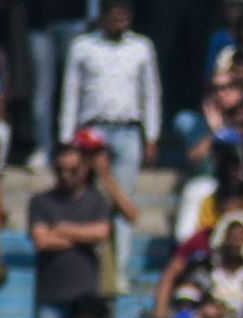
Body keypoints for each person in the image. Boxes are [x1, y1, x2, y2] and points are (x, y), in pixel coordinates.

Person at [58, 1, 160, 284]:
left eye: (124, 17)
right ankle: (88, 265)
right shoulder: (82, 47)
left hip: (128, 130)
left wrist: (151, 135)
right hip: (92, 131)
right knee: (89, 199)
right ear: (101, 17)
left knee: (123, 199)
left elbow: (150, 93)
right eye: (113, 17)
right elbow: (71, 92)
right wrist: (67, 138)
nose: (119, 23)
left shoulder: (141, 47)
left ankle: (119, 271)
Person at [27, 143, 111, 318]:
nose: (66, 175)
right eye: (60, 170)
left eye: (73, 170)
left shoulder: (97, 201)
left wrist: (61, 228)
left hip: (85, 301)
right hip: (51, 296)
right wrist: (82, 238)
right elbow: (41, 241)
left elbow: (101, 233)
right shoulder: (40, 201)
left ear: (84, 169)